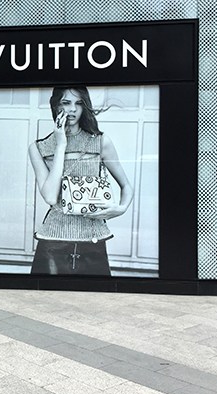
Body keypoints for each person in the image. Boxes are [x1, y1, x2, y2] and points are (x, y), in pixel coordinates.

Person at [28, 87, 134, 275]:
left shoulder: (100, 142)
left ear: (85, 107)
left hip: (93, 238)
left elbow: (126, 185)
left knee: (95, 301)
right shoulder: (39, 148)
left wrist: (121, 208)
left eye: (78, 103)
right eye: (66, 103)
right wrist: (61, 145)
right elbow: (51, 197)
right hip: (53, 241)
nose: (72, 110)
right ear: (55, 105)